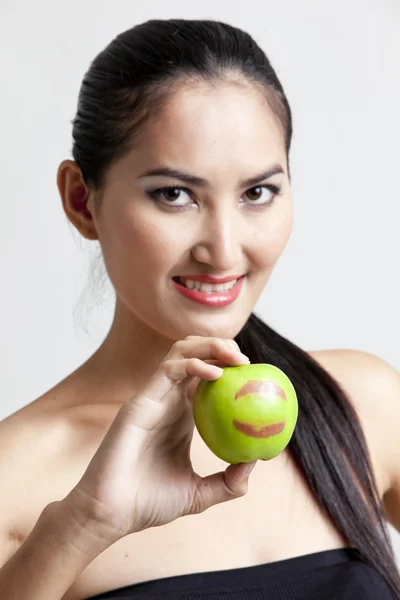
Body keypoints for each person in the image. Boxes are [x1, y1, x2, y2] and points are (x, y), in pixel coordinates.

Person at [0, 17, 399, 600]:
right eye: (174, 194)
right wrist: (81, 526)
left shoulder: (363, 404)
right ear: (82, 201)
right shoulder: (14, 476)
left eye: (257, 192)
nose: (225, 250)